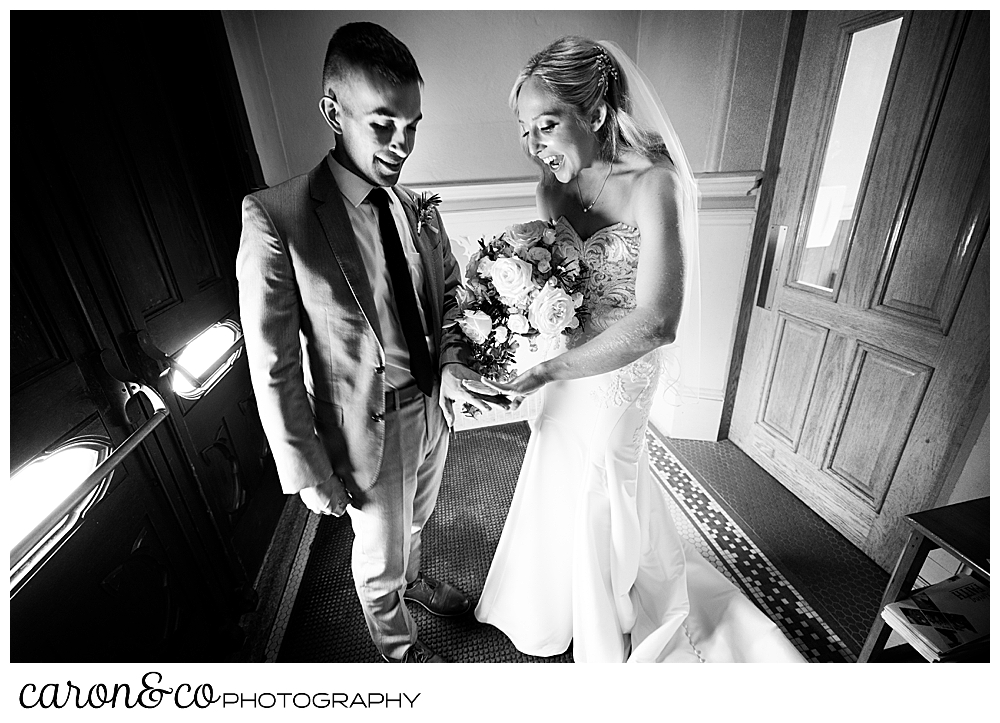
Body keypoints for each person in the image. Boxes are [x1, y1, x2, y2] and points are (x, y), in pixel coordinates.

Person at [472, 36, 806, 663]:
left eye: (547, 126)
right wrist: (517, 326)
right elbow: (559, 280)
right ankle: (550, 605)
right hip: (565, 362)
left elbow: (657, 321)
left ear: (595, 114)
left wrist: (550, 367)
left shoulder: (656, 186)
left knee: (603, 468)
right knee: (555, 462)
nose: (535, 147)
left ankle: (610, 611)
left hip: (624, 370)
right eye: (525, 131)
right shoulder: (553, 190)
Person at [237, 22, 497, 663]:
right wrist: (305, 471)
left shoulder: (411, 205)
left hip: (432, 409)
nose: (403, 144)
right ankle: (398, 653)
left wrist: (459, 366)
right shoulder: (278, 215)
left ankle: (416, 583)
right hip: (362, 428)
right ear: (334, 111)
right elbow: (273, 362)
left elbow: (447, 298)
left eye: (412, 124)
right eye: (384, 124)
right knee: (376, 555)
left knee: (419, 518)